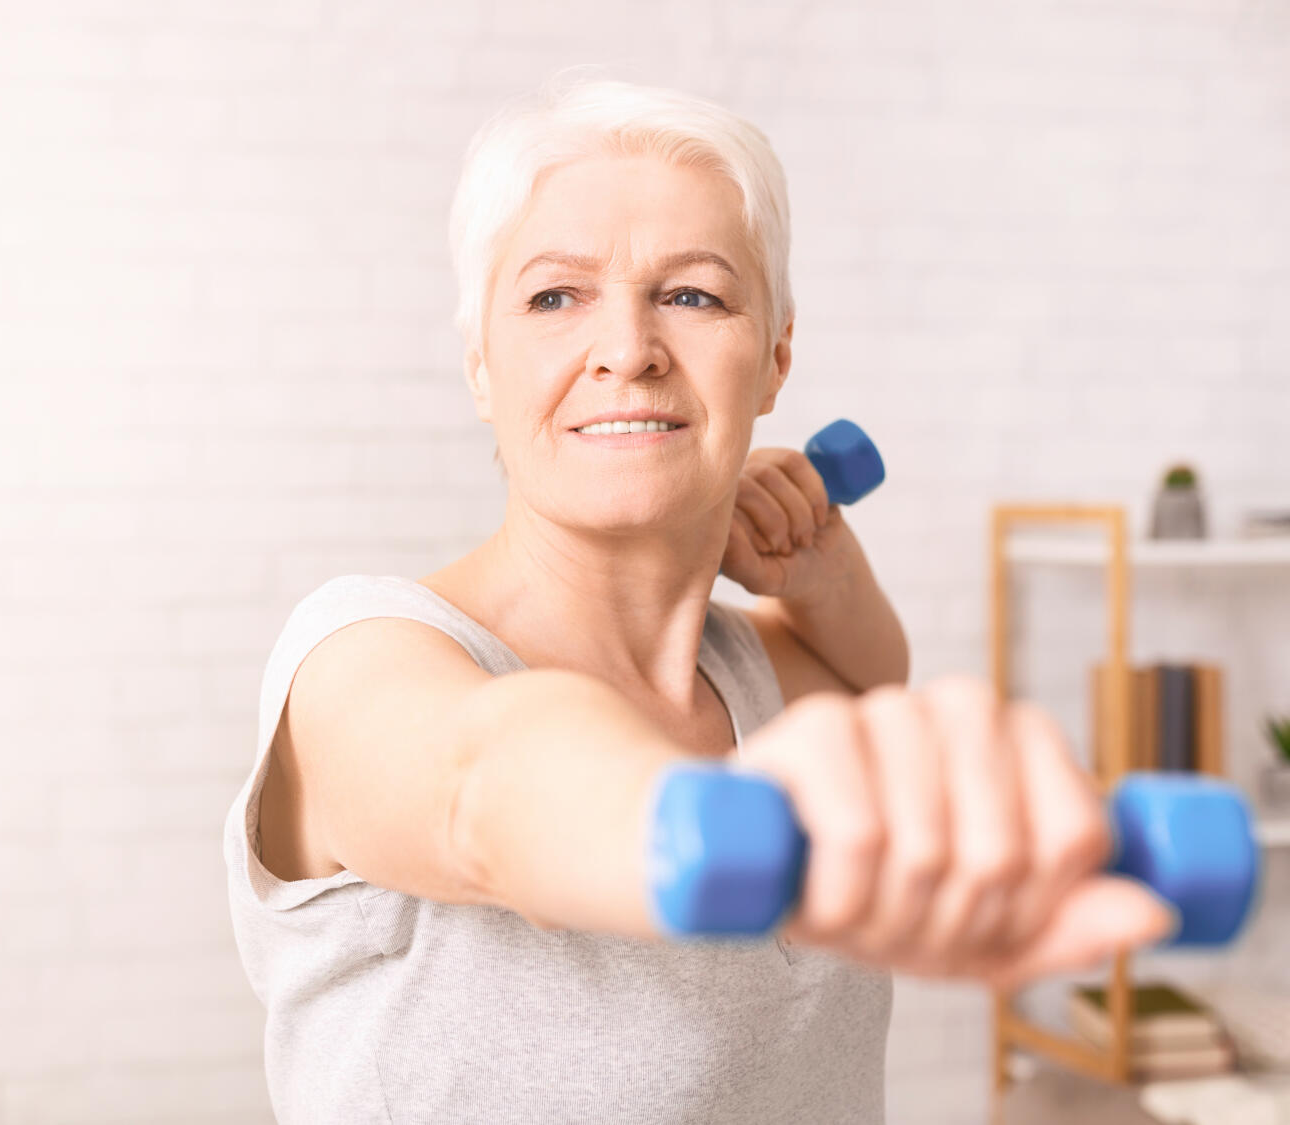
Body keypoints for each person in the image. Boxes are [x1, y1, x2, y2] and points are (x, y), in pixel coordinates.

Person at [221, 73, 1179, 1123]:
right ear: (479, 367)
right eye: (553, 296)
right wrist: (735, 832)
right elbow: (483, 788)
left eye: (691, 294)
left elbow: (876, 679)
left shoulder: (779, 674)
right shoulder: (358, 662)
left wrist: (820, 568)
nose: (626, 350)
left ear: (771, 359)